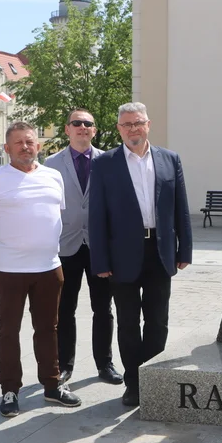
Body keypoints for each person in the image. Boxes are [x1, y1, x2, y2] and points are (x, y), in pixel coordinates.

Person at [0, 122, 82, 417]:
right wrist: (1, 248)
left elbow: (52, 217)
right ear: (6, 149)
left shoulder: (53, 177)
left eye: (30, 142)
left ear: (39, 146)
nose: (25, 147)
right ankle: (10, 390)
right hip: (9, 269)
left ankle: (52, 385)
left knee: (48, 329)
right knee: (8, 330)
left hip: (49, 267)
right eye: (18, 142)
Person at [89, 102, 192, 407]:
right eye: (126, 125)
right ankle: (133, 383)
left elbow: (180, 208)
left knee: (158, 321)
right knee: (128, 323)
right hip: (122, 256)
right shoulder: (105, 164)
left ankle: (153, 379)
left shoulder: (169, 159)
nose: (133, 129)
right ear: (119, 129)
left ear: (148, 124)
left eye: (138, 123)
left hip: (160, 251)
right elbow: (97, 217)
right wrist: (101, 261)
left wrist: (184, 248)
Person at [43, 109, 122, 386]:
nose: (82, 127)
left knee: (103, 308)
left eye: (88, 124)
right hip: (66, 246)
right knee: (65, 309)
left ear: (95, 130)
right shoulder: (51, 164)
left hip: (100, 247)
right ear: (67, 129)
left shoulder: (110, 161)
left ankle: (105, 364)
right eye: (76, 123)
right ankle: (64, 365)